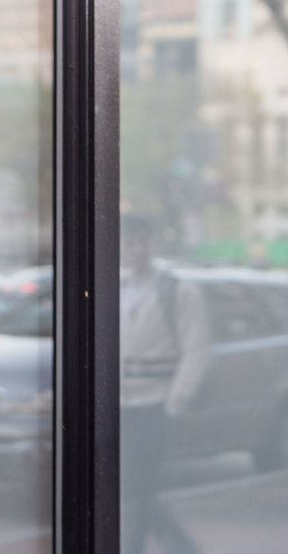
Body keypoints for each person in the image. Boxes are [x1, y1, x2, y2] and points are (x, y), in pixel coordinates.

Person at [120, 214, 209, 554]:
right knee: (135, 488)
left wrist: (174, 402)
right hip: (120, 405)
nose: (137, 250)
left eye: (142, 242)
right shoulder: (115, 289)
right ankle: (183, 547)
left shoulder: (177, 291)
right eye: (129, 243)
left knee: (135, 488)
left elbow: (196, 350)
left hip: (154, 404)